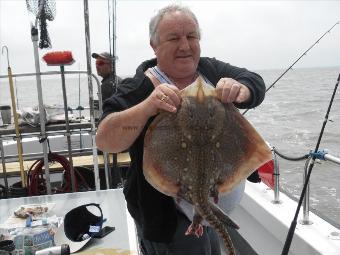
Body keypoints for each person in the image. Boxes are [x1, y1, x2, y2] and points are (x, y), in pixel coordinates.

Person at [96, 4, 266, 255]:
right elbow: (105, 140)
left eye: (192, 36)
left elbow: (254, 82)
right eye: (174, 38)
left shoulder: (210, 69)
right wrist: (147, 107)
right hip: (168, 222)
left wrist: (242, 89)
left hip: (213, 203)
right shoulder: (139, 87)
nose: (185, 46)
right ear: (154, 45)